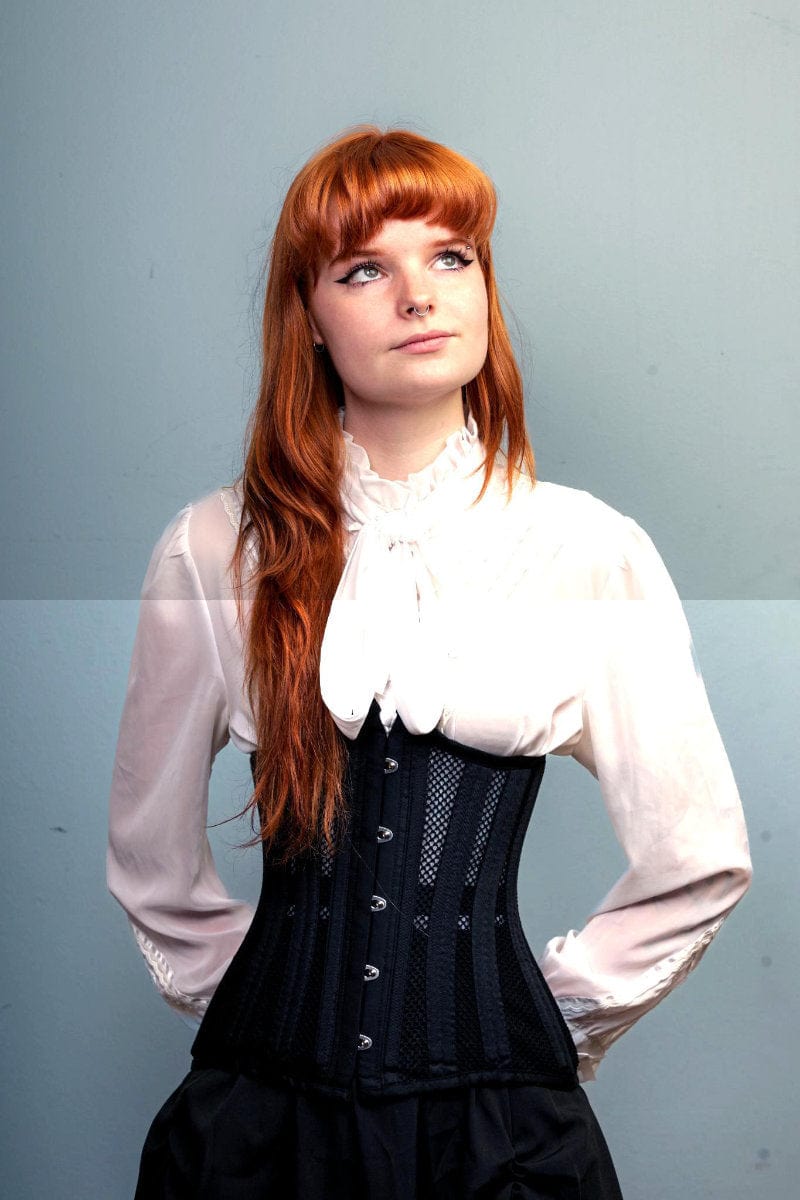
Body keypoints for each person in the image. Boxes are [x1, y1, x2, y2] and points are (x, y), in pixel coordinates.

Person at [107, 126, 752, 1199]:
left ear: (484, 288)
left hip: (501, 1137)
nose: (419, 295)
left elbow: (698, 855)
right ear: (309, 319)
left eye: (450, 256)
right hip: (256, 1137)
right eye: (365, 270)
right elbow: (149, 858)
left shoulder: (585, 548)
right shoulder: (215, 547)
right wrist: (260, 1012)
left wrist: (541, 1021)